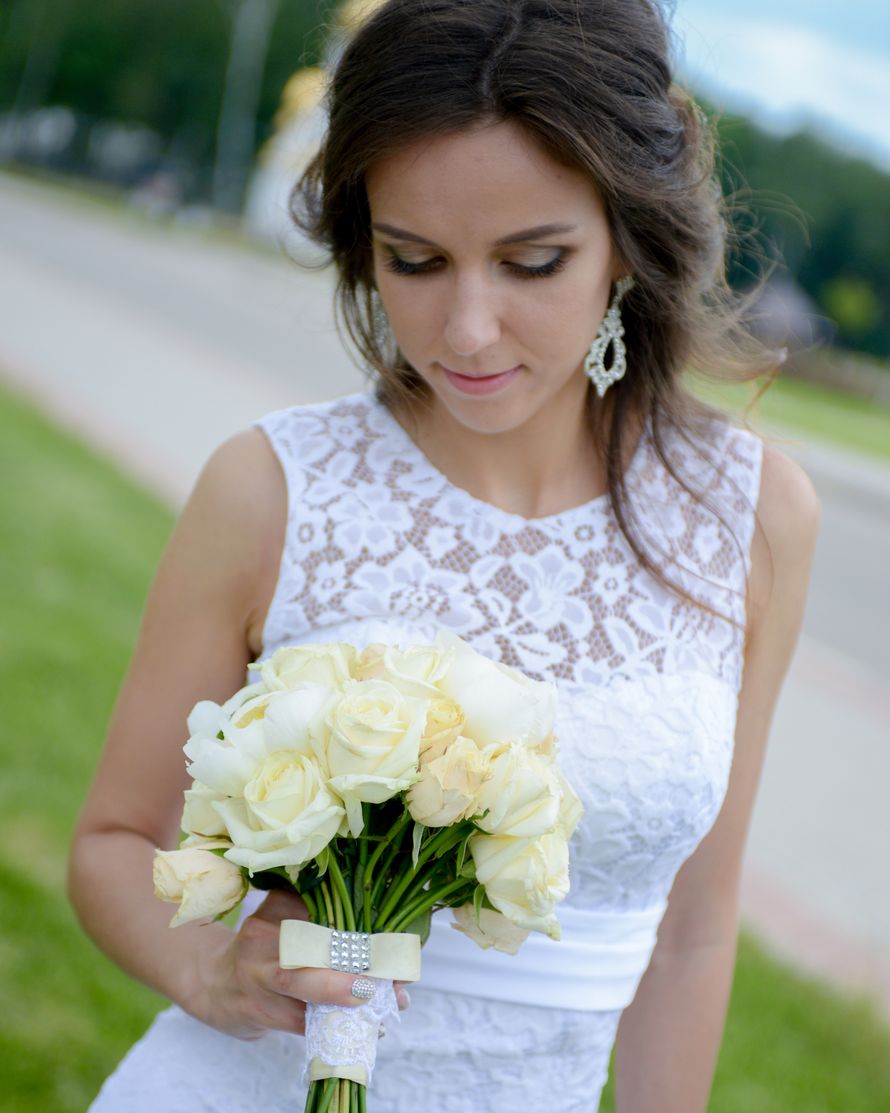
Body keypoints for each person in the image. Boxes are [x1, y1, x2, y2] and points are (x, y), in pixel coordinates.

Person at [69, 1, 820, 1110]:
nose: (465, 329)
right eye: (413, 260)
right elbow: (113, 840)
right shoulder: (270, 487)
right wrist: (203, 967)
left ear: (626, 240)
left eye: (531, 263)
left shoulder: (749, 516)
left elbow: (691, 938)